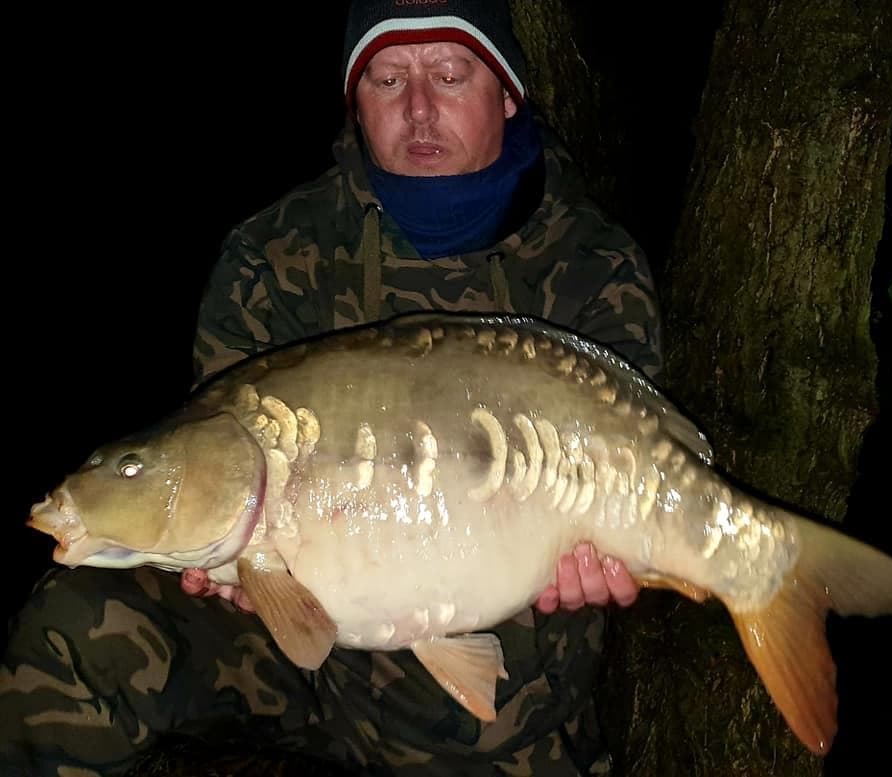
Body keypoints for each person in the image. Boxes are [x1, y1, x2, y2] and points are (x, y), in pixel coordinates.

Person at [1, 1, 662, 774]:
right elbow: (216, 454)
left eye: (451, 75)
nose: (419, 109)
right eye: (388, 79)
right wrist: (227, 563)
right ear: (356, 101)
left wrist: (606, 553)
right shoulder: (273, 253)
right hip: (290, 656)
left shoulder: (594, 265)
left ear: (507, 94)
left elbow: (639, 462)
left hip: (507, 671)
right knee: (72, 632)